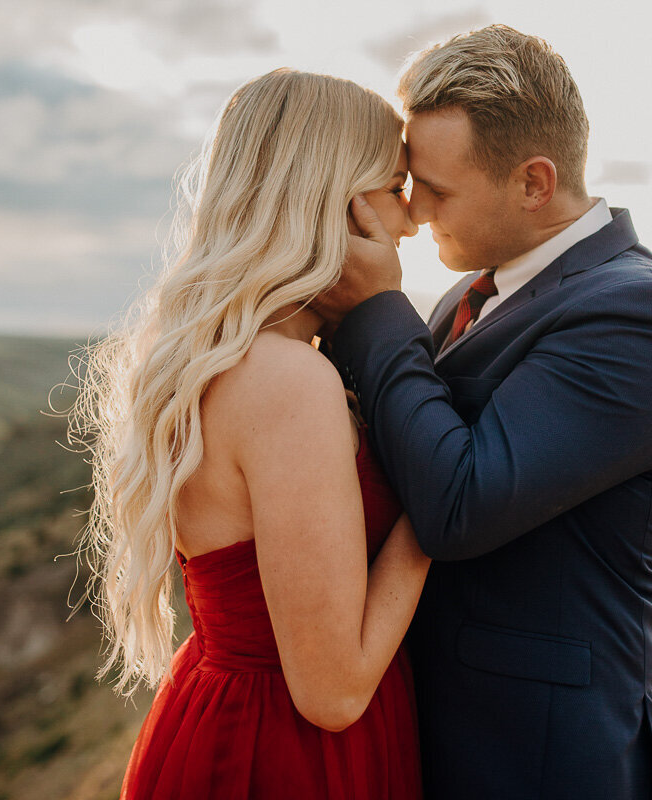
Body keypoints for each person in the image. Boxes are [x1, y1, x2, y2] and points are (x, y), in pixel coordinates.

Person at [317, 25, 652, 799]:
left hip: (534, 759)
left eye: (435, 189)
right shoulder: (474, 295)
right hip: (431, 732)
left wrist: (375, 309)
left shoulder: (641, 316)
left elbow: (458, 505)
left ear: (534, 182)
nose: (417, 213)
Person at [71, 69, 428, 800]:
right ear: (339, 204)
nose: (411, 221)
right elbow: (332, 693)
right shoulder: (287, 381)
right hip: (285, 758)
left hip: (216, 714)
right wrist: (447, 498)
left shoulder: (216, 359)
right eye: (396, 187)